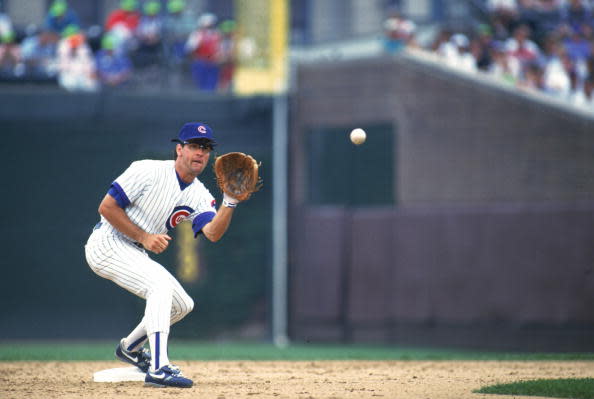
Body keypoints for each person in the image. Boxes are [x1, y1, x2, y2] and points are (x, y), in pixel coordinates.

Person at [85, 122, 241, 388]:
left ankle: (130, 349)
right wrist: (144, 237)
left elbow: (213, 233)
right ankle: (158, 368)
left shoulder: (200, 194)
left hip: (133, 251)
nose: (200, 153)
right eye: (194, 146)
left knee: (182, 305)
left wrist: (230, 201)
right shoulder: (146, 169)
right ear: (179, 149)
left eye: (205, 148)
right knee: (159, 286)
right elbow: (107, 207)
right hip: (107, 242)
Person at [185, 13, 222, 91]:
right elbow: (189, 49)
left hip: (213, 63)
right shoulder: (197, 34)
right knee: (201, 85)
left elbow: (220, 49)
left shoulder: (217, 34)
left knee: (211, 85)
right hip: (201, 62)